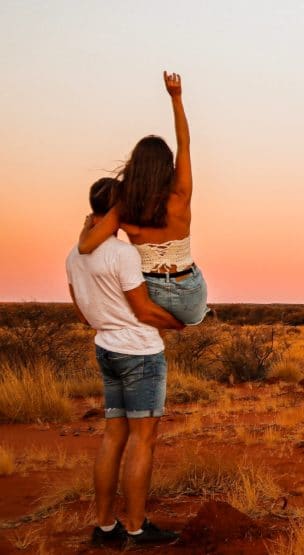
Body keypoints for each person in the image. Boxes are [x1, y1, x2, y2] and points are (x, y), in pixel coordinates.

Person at [67, 177, 184, 546]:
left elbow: (84, 315)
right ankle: (136, 529)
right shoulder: (122, 254)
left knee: (113, 436)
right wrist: (179, 323)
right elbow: (145, 309)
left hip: (106, 350)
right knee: (142, 440)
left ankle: (105, 528)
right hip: (139, 353)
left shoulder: (75, 255)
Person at [78, 71, 209, 325]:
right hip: (189, 292)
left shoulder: (124, 208)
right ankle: (197, 315)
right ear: (166, 166)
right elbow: (185, 144)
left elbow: (86, 247)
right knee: (196, 315)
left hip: (150, 295)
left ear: (134, 167)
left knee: (137, 307)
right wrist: (176, 97)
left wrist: (86, 226)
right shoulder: (180, 195)